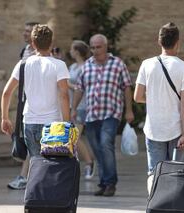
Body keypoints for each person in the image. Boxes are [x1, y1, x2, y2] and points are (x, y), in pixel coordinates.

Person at [71, 34, 134, 197]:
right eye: (92, 47)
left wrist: (129, 110)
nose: (95, 50)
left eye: (98, 47)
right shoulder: (87, 66)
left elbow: (127, 87)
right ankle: (104, 182)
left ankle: (111, 183)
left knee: (106, 144)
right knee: (98, 149)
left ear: (106, 47)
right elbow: (79, 88)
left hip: (111, 113)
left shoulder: (118, 64)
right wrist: (73, 109)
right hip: (91, 115)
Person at [134, 22, 184, 179]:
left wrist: (155, 97)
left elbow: (138, 97)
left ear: (159, 41)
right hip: (176, 129)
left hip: (153, 128)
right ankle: (173, 203)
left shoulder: (146, 65)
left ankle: (154, 202)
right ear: (178, 42)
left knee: (154, 173)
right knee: (176, 173)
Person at [1, 24, 70, 160]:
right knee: (52, 165)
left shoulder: (23, 65)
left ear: (33, 43)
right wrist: (67, 123)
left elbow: (6, 93)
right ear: (51, 43)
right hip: (53, 122)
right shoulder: (59, 65)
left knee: (36, 163)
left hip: (30, 122)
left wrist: (4, 118)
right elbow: (64, 96)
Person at [7, 21, 39, 190]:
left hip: (36, 101)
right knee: (23, 137)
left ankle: (24, 176)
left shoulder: (41, 53)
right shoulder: (24, 51)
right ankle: (26, 175)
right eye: (24, 30)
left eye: (28, 31)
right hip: (24, 99)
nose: (24, 34)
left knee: (30, 138)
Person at [68, 40, 96, 180]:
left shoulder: (85, 67)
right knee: (73, 137)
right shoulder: (72, 66)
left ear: (77, 51)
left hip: (82, 106)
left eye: (72, 49)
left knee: (75, 137)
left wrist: (70, 85)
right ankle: (88, 160)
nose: (70, 51)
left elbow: (83, 87)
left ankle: (89, 162)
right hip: (72, 106)